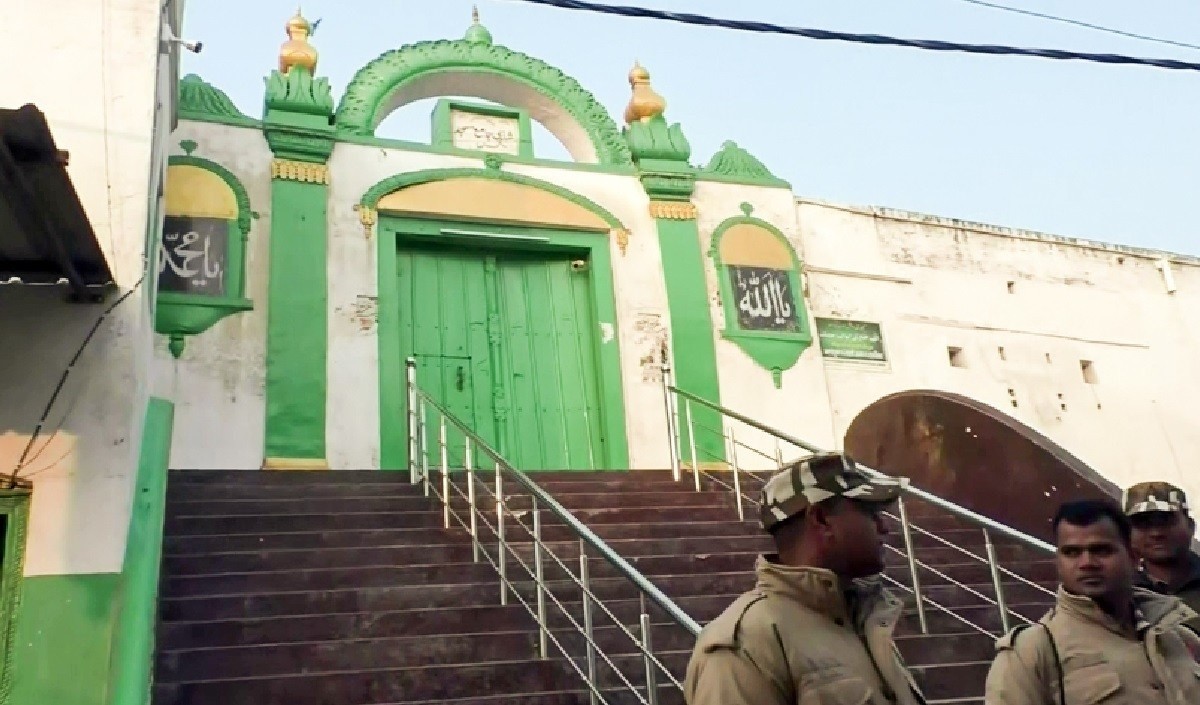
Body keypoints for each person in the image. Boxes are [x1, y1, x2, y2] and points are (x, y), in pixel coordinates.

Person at [683, 451, 925, 705]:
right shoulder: (746, 645)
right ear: (821, 519)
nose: (883, 527)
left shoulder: (866, 621)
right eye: (869, 512)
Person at [984, 499, 1200, 705]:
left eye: (1101, 550)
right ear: (1058, 562)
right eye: (1072, 553)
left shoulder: (1177, 634)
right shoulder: (1032, 652)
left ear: (1133, 558)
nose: (1087, 563)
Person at [1124, 481, 1200, 631]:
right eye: (1143, 523)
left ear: (1191, 526)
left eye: (1166, 521)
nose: (1156, 533)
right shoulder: (1121, 591)